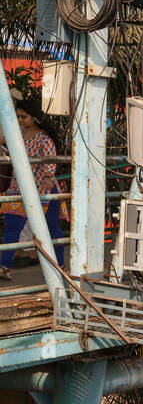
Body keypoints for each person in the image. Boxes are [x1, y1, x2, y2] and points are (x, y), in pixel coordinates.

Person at [1, 99, 67, 277]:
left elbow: (50, 157)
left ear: (35, 118)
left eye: (24, 117)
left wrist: (47, 176)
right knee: (12, 225)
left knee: (51, 228)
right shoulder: (17, 135)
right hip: (19, 187)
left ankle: (61, 266)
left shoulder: (44, 139)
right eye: (18, 117)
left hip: (43, 189)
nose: (20, 120)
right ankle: (3, 265)